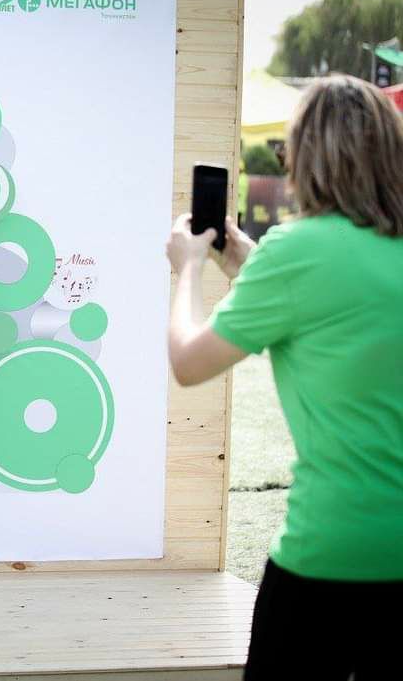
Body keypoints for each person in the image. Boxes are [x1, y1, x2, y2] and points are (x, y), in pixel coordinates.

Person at [166, 75, 403, 680]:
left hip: (329, 553)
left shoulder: (296, 252)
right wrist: (246, 261)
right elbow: (337, 305)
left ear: (306, 156)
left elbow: (189, 362)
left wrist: (189, 268)